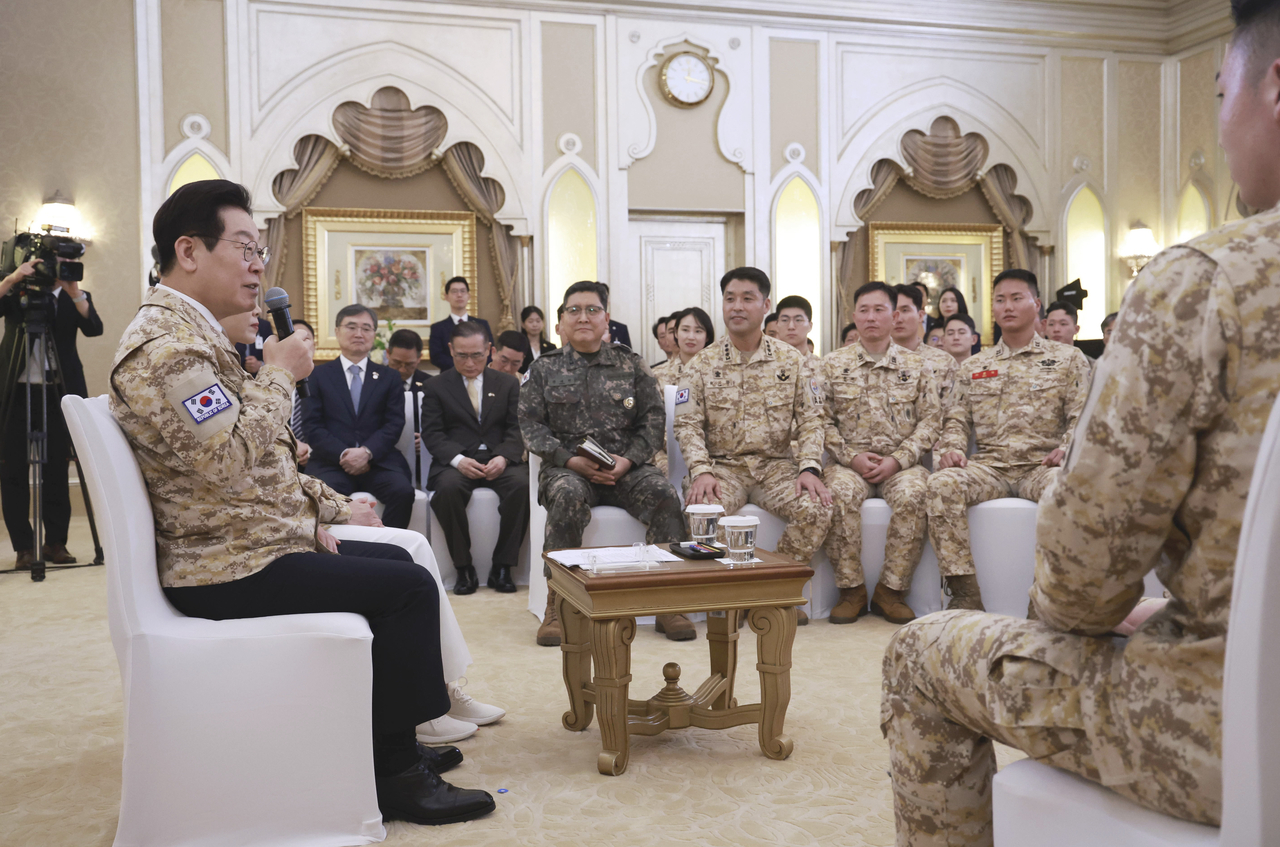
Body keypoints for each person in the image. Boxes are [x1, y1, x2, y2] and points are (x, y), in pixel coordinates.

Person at [883, 2, 1280, 838]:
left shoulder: (1208, 281)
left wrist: (1103, 611)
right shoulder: (978, 363)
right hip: (1002, 475)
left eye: (1221, 94)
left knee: (921, 655)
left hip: (1233, 718)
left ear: (1274, 86)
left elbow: (1082, 580)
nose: (1222, 125)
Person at [110, 179, 494, 825]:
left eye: (259, 251)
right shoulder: (168, 348)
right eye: (244, 248)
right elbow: (229, 458)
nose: (258, 267)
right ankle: (397, 775)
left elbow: (254, 465)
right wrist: (279, 374)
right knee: (406, 589)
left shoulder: (192, 336)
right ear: (189, 250)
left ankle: (387, 744)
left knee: (401, 566)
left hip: (244, 544)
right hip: (224, 566)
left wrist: (313, 513)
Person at [520, 281, 686, 645]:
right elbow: (530, 427)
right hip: (569, 470)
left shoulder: (631, 364)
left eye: (592, 310)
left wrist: (629, 460)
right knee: (565, 496)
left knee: (665, 496)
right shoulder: (544, 369)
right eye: (574, 310)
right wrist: (568, 460)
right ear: (562, 321)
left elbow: (653, 420)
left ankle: (668, 602)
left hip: (626, 468)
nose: (583, 317)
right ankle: (558, 605)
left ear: (606, 319)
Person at [674, 267, 833, 627]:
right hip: (722, 468)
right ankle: (732, 597)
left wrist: (810, 467)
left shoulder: (792, 361)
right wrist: (700, 471)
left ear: (765, 305)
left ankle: (773, 593)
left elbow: (812, 420)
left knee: (817, 507)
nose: (737, 306)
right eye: (730, 298)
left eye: (747, 298)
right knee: (703, 513)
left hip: (776, 467)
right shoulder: (702, 364)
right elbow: (687, 424)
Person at [924, 269, 1092, 611]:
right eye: (1000, 300)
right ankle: (964, 592)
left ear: (1036, 304)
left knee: (1068, 488)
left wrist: (1068, 448)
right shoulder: (975, 365)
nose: (1008, 306)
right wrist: (952, 449)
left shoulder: (1067, 359)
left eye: (1017, 298)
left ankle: (1045, 597)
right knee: (941, 484)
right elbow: (957, 419)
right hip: (991, 468)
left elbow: (1082, 415)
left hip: (1042, 465)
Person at [822, 282, 941, 627]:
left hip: (901, 464)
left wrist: (898, 459)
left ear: (894, 316)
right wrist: (850, 457)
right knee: (838, 493)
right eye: (864, 310)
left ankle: (891, 591)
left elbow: (931, 421)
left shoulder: (917, 365)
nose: (871, 317)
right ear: (854, 316)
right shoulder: (832, 364)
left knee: (916, 494)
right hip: (848, 463)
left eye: (879, 310)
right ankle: (851, 591)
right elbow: (819, 420)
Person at [0, 256, 103, 569]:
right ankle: (23, 548)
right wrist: (12, 279)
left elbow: (94, 328)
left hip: (58, 392)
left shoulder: (74, 296)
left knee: (56, 467)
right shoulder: (17, 293)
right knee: (13, 470)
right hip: (16, 392)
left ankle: (55, 543)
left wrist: (74, 292)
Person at [421, 321, 527, 596]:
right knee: (447, 490)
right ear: (450, 350)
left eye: (477, 355)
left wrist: (504, 457)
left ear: (489, 350)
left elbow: (517, 428)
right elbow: (433, 433)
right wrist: (458, 460)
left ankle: (503, 566)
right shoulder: (436, 386)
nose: (469, 363)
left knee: (523, 486)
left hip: (499, 458)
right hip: (456, 460)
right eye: (462, 356)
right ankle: (463, 567)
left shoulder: (507, 384)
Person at [302, 304, 416, 529]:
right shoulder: (316, 375)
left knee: (403, 492)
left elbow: (394, 424)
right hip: (331, 462)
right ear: (337, 332)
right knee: (318, 498)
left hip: (379, 461)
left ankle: (389, 546)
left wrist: (366, 452)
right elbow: (312, 426)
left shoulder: (389, 377)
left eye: (366, 328)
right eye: (351, 327)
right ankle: (339, 550)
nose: (358, 334)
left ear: (374, 334)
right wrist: (345, 454)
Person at [651, 307, 716, 476]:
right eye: (685, 330)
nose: (691, 336)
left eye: (698, 331)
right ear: (676, 334)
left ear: (707, 336)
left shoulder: (720, 375)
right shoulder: (657, 375)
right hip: (667, 456)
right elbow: (652, 425)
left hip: (714, 457)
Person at [891, 284, 959, 407]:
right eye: (893, 312)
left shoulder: (945, 363)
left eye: (905, 310)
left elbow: (954, 413)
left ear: (920, 316)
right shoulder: (874, 363)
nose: (899, 319)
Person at [428, 277, 492, 372]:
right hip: (449, 376)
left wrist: (475, 365)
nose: (459, 295)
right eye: (454, 291)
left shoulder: (482, 324)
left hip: (479, 373)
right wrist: (462, 366)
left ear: (469, 296)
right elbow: (436, 357)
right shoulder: (438, 328)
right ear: (446, 296)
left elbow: (489, 351)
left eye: (463, 291)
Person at [386, 328, 432, 392]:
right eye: (397, 362)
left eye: (409, 364)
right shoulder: (374, 382)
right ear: (388, 353)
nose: (402, 370)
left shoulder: (430, 385)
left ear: (419, 358)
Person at [774, 295, 814, 360]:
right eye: (785, 320)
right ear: (776, 325)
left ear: (810, 326)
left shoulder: (821, 365)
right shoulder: (764, 365)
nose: (791, 327)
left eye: (798, 320)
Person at [519, 305, 555, 374]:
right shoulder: (519, 347)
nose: (535, 325)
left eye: (538, 321)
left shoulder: (551, 347)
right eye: (530, 321)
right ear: (523, 324)